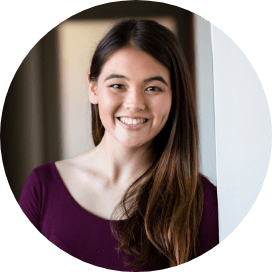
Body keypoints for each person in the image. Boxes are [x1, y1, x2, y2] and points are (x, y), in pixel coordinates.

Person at [19, 19, 219, 271]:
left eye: (153, 88)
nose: (135, 103)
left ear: (174, 96)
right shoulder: (42, 187)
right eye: (117, 85)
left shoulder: (201, 202)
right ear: (93, 88)